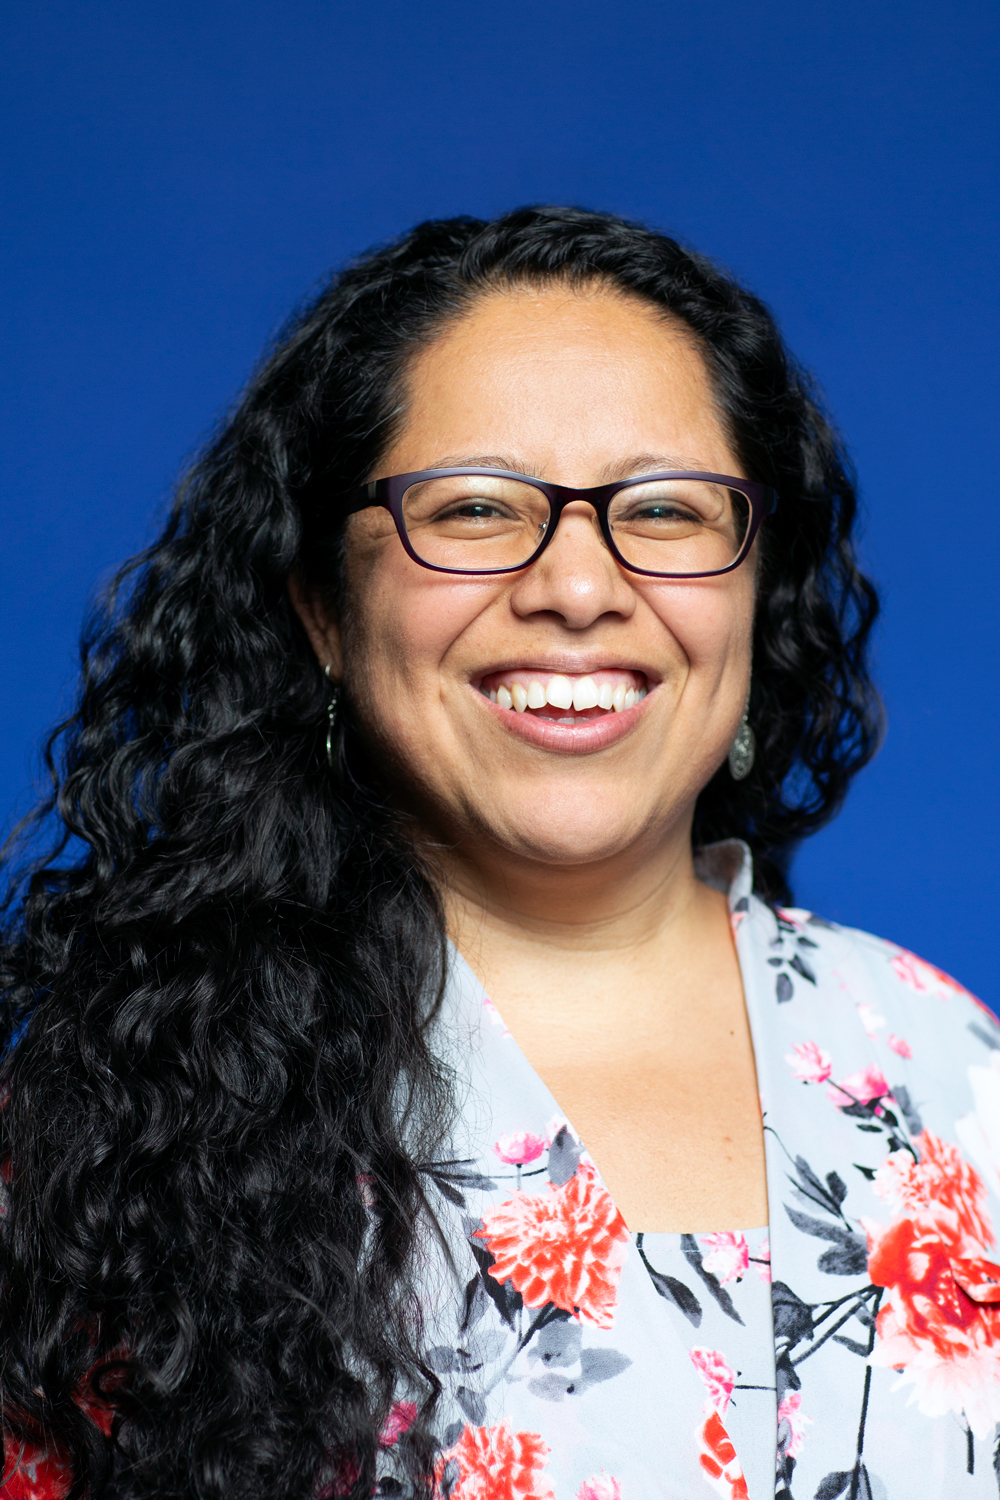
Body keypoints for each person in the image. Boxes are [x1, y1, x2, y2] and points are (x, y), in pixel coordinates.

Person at [1, 206, 997, 1500]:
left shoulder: (947, 1077)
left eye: (666, 509)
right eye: (473, 508)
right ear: (320, 608)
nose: (577, 587)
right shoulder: (120, 1139)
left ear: (759, 587)